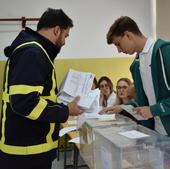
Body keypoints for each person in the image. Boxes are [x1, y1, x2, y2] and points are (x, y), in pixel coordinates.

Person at [0, 8, 84, 169]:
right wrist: (66, 111)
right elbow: (24, 102)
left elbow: (38, 99)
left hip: (27, 149)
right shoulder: (32, 53)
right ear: (57, 30)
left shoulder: (35, 51)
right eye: (65, 36)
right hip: (26, 153)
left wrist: (61, 106)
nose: (65, 42)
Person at [106, 16, 170, 136]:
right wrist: (122, 107)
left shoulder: (165, 52)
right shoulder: (137, 65)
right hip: (157, 132)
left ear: (128, 35)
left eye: (118, 44)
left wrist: (153, 110)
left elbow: (152, 107)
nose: (119, 50)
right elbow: (145, 100)